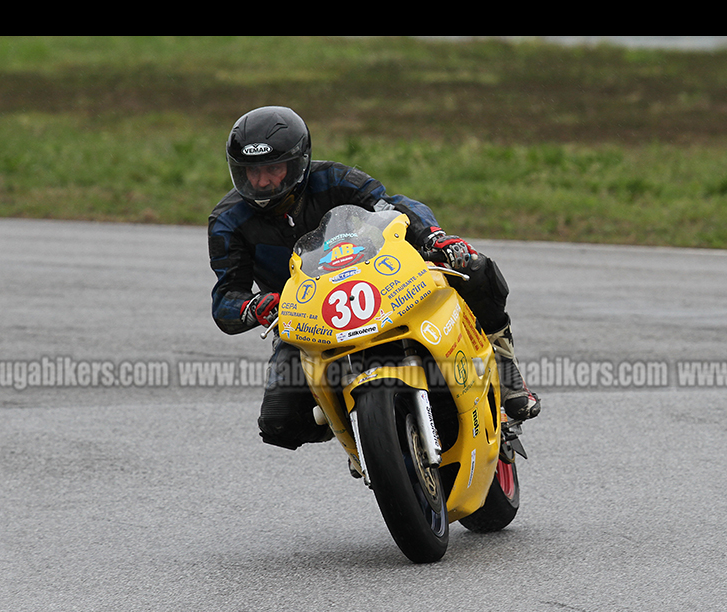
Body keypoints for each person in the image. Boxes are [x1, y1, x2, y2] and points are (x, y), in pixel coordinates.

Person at [208, 105, 540, 451]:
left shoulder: (334, 179)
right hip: (304, 319)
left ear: (297, 163)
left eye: (272, 169)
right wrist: (254, 307)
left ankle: (504, 364)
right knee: (279, 423)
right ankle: (353, 425)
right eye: (250, 172)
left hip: (377, 285)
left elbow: (391, 205)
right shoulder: (226, 221)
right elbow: (226, 298)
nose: (261, 182)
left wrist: (433, 237)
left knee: (472, 264)